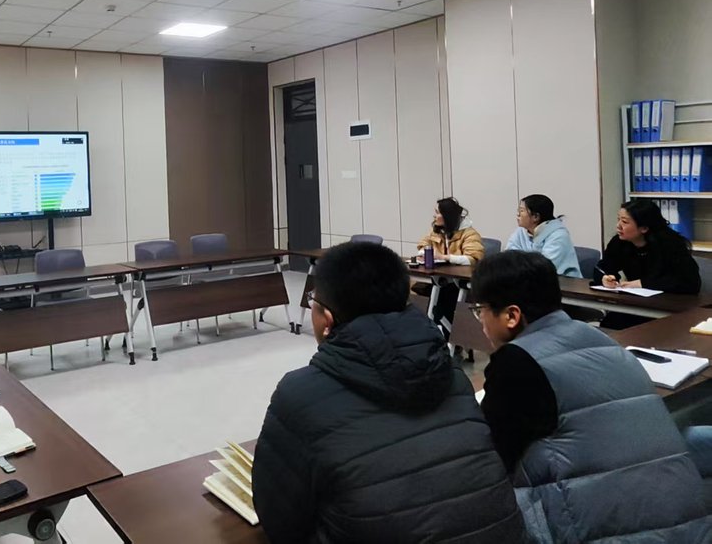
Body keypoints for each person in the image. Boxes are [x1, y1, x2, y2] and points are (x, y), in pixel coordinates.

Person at [252, 242, 525, 543]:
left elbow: (280, 521)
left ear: (327, 320)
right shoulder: (453, 376)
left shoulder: (299, 395)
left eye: (313, 300)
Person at [473, 250, 711, 542]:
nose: (480, 322)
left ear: (511, 315)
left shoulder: (517, 362)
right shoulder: (603, 340)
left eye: (480, 310)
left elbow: (489, 458)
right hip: (688, 523)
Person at [593, 199, 700, 293]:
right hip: (635, 301)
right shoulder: (619, 242)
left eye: (624, 222)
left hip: (669, 303)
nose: (618, 226)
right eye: (618, 219)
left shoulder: (671, 244)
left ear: (644, 228)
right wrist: (605, 278)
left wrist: (642, 283)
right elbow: (602, 267)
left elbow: (689, 283)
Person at [417, 197, 485, 335]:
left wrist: (444, 257)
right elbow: (422, 246)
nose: (434, 216)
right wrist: (426, 253)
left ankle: (449, 336)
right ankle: (436, 331)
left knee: (440, 300)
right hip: (443, 279)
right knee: (424, 293)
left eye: (437, 213)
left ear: (447, 215)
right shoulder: (437, 231)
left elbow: (472, 258)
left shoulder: (469, 234)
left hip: (461, 283)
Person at [505, 194, 581, 277]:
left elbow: (544, 268)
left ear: (535, 217)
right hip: (526, 279)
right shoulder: (521, 231)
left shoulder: (559, 236)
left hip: (562, 282)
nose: (518, 214)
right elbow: (508, 258)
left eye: (522, 211)